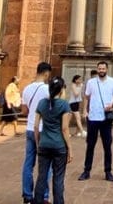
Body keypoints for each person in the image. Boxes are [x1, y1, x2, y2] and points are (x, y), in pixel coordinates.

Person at [79, 60, 113, 182]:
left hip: (106, 118)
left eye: (103, 68)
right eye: (99, 68)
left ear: (107, 69)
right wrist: (85, 111)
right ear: (97, 69)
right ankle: (87, 170)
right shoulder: (91, 82)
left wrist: (112, 104)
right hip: (93, 117)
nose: (101, 70)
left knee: (107, 146)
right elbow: (86, 97)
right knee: (90, 145)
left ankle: (108, 171)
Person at [34, 76, 72, 204]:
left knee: (41, 177)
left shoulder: (42, 103)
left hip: (44, 144)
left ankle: (37, 201)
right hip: (59, 145)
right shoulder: (64, 105)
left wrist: (37, 143)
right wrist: (70, 148)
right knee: (58, 178)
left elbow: (35, 126)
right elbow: (65, 128)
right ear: (61, 90)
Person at [22, 62, 53, 203]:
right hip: (43, 130)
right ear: (46, 73)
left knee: (28, 163)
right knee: (46, 164)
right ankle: (44, 196)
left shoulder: (27, 88)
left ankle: (27, 196)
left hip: (29, 129)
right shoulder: (48, 90)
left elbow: (24, 111)